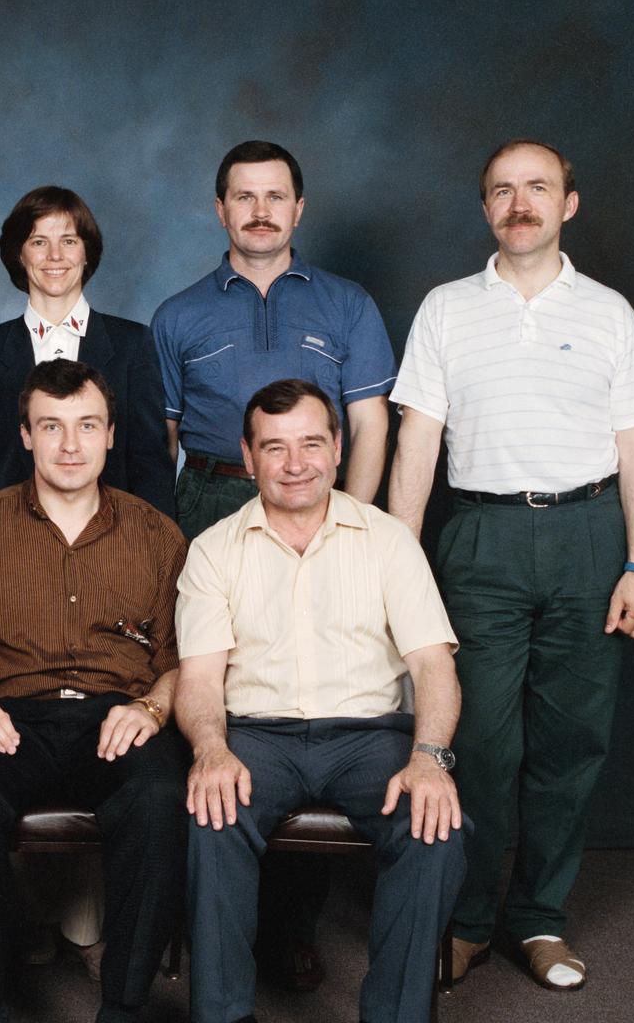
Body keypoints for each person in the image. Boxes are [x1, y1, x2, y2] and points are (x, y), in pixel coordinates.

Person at [389, 139, 634, 991]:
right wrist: (396, 570)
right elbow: (416, 445)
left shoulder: (611, 313)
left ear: (568, 204)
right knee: (475, 743)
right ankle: (468, 919)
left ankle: (540, 920)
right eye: (503, 190)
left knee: (571, 744)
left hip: (590, 537)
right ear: (484, 209)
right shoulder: (445, 308)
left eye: (537, 188)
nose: (520, 203)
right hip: (479, 541)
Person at [177, 378, 467, 1023]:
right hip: (257, 735)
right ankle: (222, 1014)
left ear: (338, 449)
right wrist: (211, 749)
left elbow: (432, 666)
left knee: (434, 827)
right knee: (211, 815)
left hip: (371, 737)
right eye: (274, 448)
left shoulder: (390, 540)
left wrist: (429, 757)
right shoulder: (212, 550)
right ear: (248, 458)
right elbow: (198, 680)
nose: (295, 463)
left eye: (311, 443)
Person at [0, 359, 188, 1023]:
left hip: (120, 714)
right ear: (25, 436)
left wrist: (154, 708)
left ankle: (124, 1005)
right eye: (52, 427)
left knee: (161, 796)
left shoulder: (158, 536)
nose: (70, 445)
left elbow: (186, 661)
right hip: (9, 716)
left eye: (86, 426)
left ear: (109, 435)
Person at [153, 140, 396, 540]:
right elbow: (163, 438)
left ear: (298, 209)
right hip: (210, 501)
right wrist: (160, 529)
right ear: (220, 210)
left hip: (317, 496)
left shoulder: (350, 304)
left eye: (275, 197)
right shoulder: (176, 315)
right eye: (245, 197)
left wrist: (351, 521)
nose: (261, 213)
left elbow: (370, 424)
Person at [0, 185, 174, 519]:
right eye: (39, 242)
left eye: (69, 241)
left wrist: (144, 548)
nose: (55, 256)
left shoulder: (132, 345)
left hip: (113, 545)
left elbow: (152, 466)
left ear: (86, 252)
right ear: (19, 254)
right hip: (8, 545)